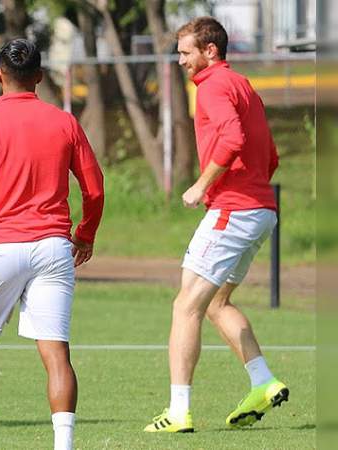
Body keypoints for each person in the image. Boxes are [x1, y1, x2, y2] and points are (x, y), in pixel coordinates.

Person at [0, 38, 105, 450]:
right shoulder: (65, 122)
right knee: (57, 353)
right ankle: (63, 446)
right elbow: (95, 189)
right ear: (40, 78)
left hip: (2, 250)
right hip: (53, 248)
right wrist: (86, 233)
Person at [144, 17, 287, 433]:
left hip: (232, 209)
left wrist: (201, 185)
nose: (180, 60)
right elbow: (270, 154)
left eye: (186, 52)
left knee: (185, 306)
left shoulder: (212, 86)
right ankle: (263, 382)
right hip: (260, 209)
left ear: (210, 51)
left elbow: (233, 138)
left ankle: (178, 411)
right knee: (216, 303)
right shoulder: (243, 85)